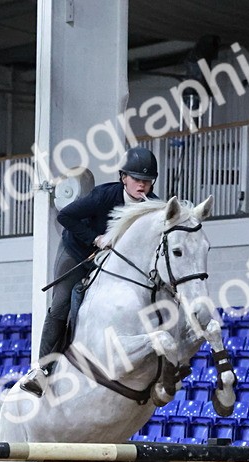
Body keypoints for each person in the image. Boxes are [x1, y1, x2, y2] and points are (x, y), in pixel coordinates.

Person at [20, 146, 159, 395]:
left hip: (112, 261)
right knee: (61, 304)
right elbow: (66, 217)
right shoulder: (103, 196)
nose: (143, 186)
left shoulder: (153, 207)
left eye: (148, 182)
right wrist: (95, 238)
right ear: (123, 177)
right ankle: (41, 371)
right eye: (137, 180)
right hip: (78, 252)